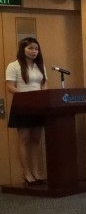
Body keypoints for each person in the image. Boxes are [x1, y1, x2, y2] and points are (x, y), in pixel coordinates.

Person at [5, 36, 48, 184]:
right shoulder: (13, 66)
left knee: (36, 140)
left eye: (36, 49)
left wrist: (42, 97)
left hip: (38, 106)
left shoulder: (40, 65)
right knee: (24, 140)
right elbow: (10, 87)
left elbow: (44, 85)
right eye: (30, 48)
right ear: (22, 50)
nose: (34, 51)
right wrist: (27, 97)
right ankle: (26, 172)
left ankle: (36, 171)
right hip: (22, 105)